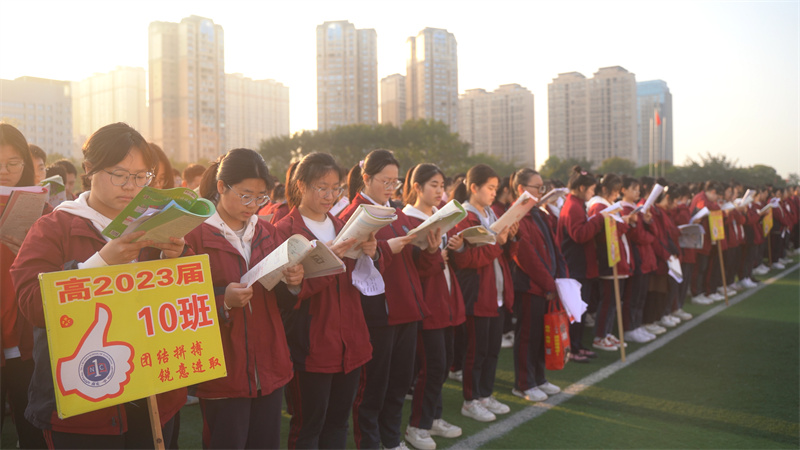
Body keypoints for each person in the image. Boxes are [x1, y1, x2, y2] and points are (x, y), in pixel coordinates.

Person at [10, 123, 187, 449]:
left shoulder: (154, 222)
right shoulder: (53, 227)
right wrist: (101, 263)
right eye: (119, 174)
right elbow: (33, 304)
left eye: (141, 176)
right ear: (89, 168)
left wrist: (171, 257)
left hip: (151, 389)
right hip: (85, 400)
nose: (130, 186)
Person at [184, 148, 300, 449]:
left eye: (260, 197)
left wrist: (292, 283)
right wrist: (223, 301)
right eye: (246, 196)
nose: (253, 205)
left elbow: (282, 301)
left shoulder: (267, 231)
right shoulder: (193, 235)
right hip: (224, 368)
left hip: (269, 363)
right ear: (221, 187)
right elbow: (180, 304)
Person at [276, 152, 374, 449]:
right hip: (312, 346)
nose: (330, 196)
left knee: (338, 423)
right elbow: (287, 294)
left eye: (336, 188)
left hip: (350, 342)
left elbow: (361, 279)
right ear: (301, 185)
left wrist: (372, 252)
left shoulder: (344, 226)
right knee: (308, 426)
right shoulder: (285, 231)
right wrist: (328, 261)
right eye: (322, 188)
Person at [340, 149, 431, 450]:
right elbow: (349, 267)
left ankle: (391, 440)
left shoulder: (398, 212)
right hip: (379, 314)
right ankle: (369, 443)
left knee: (399, 384)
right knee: (373, 387)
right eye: (386, 181)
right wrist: (382, 250)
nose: (392, 187)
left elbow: (414, 264)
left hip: (407, 309)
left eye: (396, 181)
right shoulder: (353, 215)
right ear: (366, 178)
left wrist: (430, 248)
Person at [401, 164, 465, 449]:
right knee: (432, 366)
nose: (440, 191)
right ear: (417, 187)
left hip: (446, 299)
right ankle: (417, 425)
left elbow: (442, 260)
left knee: (443, 363)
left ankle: (433, 418)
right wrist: (436, 255)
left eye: (442, 186)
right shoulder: (408, 219)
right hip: (427, 304)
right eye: (434, 185)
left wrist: (455, 247)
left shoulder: (439, 216)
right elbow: (416, 269)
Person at [450, 164, 516, 422]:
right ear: (474, 187)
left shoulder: (491, 213)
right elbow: (468, 260)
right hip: (477, 294)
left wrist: (510, 237)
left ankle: (485, 395)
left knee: (492, 350)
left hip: (496, 291)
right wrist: (497, 242)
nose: (493, 193)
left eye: (496, 188)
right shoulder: (465, 216)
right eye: (490, 188)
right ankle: (471, 400)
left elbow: (501, 253)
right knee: (475, 352)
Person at [0, 123, 47, 449]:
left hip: (27, 339)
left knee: (34, 431)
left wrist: (30, 253)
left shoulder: (44, 211)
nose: (4, 171)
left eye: (13, 163)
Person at [508, 168, 565, 402]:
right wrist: (549, 284)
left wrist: (558, 280)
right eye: (537, 187)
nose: (542, 192)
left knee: (542, 335)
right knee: (527, 337)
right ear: (521, 189)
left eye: (543, 187)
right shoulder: (517, 215)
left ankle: (539, 378)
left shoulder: (538, 213)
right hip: (530, 287)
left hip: (546, 285)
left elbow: (553, 248)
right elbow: (526, 257)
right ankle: (524, 383)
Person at [558, 166, 604, 360]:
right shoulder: (573, 206)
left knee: (580, 310)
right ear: (582, 188)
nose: (593, 193)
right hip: (576, 266)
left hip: (580, 265)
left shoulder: (576, 204)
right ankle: (573, 349)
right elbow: (579, 235)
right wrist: (599, 219)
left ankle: (577, 345)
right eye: (592, 189)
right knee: (575, 311)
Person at [586, 174, 633, 351]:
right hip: (608, 259)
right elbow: (607, 232)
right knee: (608, 300)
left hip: (615, 257)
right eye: (614, 191)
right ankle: (600, 335)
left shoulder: (607, 205)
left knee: (614, 300)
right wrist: (624, 224)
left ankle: (606, 333)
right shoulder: (599, 206)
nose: (616, 195)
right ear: (605, 189)